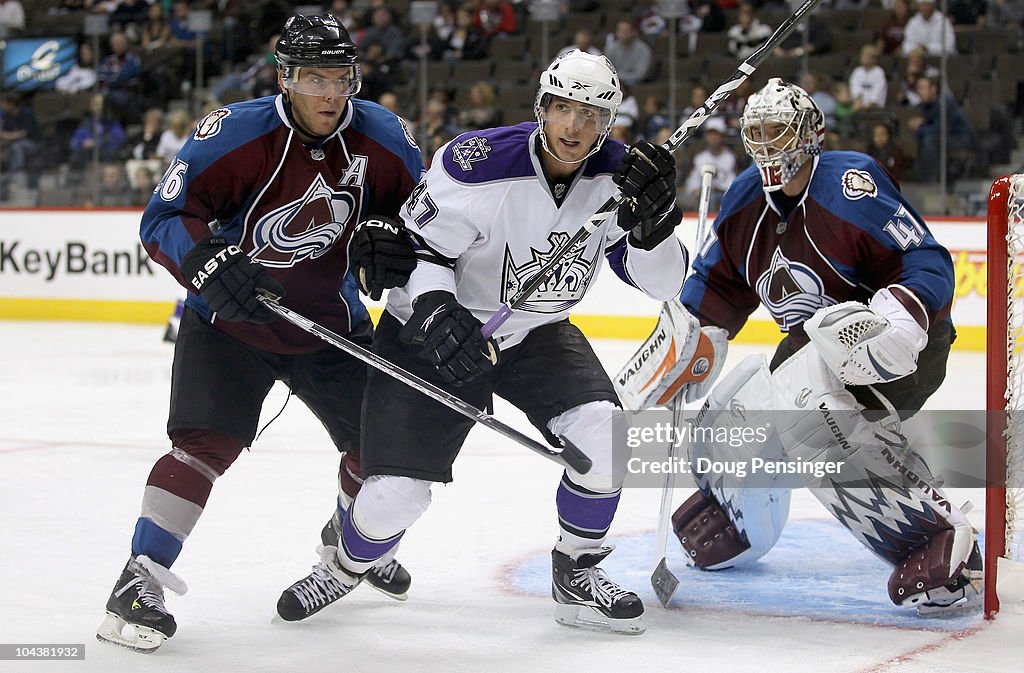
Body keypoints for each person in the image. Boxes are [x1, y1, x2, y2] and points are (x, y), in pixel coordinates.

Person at [274, 49, 688, 635]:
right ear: (542, 106)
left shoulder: (624, 175)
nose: (574, 128)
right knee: (398, 496)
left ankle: (576, 572)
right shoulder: (478, 163)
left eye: (591, 116)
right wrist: (437, 309)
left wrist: (656, 222)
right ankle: (345, 563)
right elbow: (420, 251)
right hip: (430, 332)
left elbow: (665, 282)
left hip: (535, 332)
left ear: (609, 122)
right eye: (564, 109)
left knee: (608, 440)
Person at [96, 14, 424, 653]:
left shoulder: (386, 140)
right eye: (314, 78)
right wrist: (202, 260)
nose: (331, 93)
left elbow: (428, 218)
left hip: (334, 327)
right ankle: (138, 581)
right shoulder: (236, 133)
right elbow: (167, 213)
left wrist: (402, 246)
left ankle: (349, 539)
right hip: (231, 323)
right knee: (200, 447)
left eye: (341, 77)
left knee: (381, 453)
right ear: (286, 78)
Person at [664, 78, 980, 616]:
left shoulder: (849, 183)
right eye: (758, 132)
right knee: (736, 412)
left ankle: (937, 537)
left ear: (812, 134)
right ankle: (739, 516)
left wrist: (902, 316)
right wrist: (689, 336)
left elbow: (925, 258)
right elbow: (718, 284)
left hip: (898, 343)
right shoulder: (745, 200)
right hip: (811, 350)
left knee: (809, 404)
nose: (770, 145)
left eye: (779, 130)